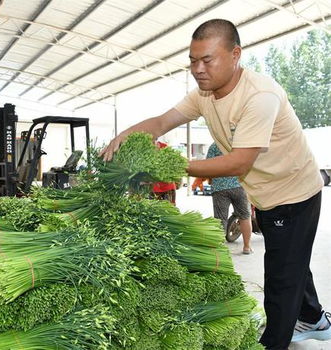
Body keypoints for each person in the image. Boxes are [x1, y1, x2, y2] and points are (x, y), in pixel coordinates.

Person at [100, 19, 328, 350]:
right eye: (193, 60)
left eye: (208, 59)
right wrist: (125, 136)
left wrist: (172, 166)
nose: (198, 68)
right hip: (265, 193)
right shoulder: (204, 94)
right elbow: (163, 122)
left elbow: (239, 162)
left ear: (235, 54)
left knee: (280, 279)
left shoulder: (259, 96)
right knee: (292, 259)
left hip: (293, 194)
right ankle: (315, 319)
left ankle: (273, 343)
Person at [207, 142, 252, 254]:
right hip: (239, 185)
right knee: (245, 216)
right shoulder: (240, 144)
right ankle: (247, 247)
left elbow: (208, 166)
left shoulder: (214, 145)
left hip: (219, 187)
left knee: (220, 219)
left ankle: (220, 249)